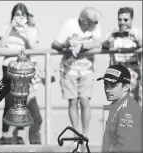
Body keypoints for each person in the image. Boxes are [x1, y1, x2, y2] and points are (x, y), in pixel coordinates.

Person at [51, 6, 102, 146]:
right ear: (85, 21)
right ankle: (76, 136)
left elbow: (98, 45)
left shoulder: (95, 26)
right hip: (69, 69)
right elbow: (55, 43)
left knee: (85, 100)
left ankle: (85, 135)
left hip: (87, 69)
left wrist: (82, 46)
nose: (97, 25)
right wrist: (67, 44)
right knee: (72, 102)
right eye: (94, 22)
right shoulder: (69, 25)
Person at [0, 3, 42, 145]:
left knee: (21, 101)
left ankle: (19, 135)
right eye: (17, 14)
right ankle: (5, 134)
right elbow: (2, 44)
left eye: (22, 15)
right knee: (9, 100)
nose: (19, 17)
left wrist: (24, 28)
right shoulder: (6, 28)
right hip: (8, 66)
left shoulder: (31, 30)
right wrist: (11, 27)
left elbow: (33, 46)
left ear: (26, 17)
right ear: (12, 16)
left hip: (23, 67)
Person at [97, 64, 142, 152]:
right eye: (105, 85)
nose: (107, 90)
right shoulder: (117, 105)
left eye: (113, 85)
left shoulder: (128, 110)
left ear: (126, 87)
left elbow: (126, 148)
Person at [102, 7, 142, 105]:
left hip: (133, 71)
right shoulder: (113, 33)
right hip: (117, 72)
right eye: (119, 19)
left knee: (133, 101)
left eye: (126, 20)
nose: (122, 22)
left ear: (132, 20)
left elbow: (141, 44)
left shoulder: (138, 32)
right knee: (118, 103)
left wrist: (137, 40)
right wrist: (108, 41)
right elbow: (103, 46)